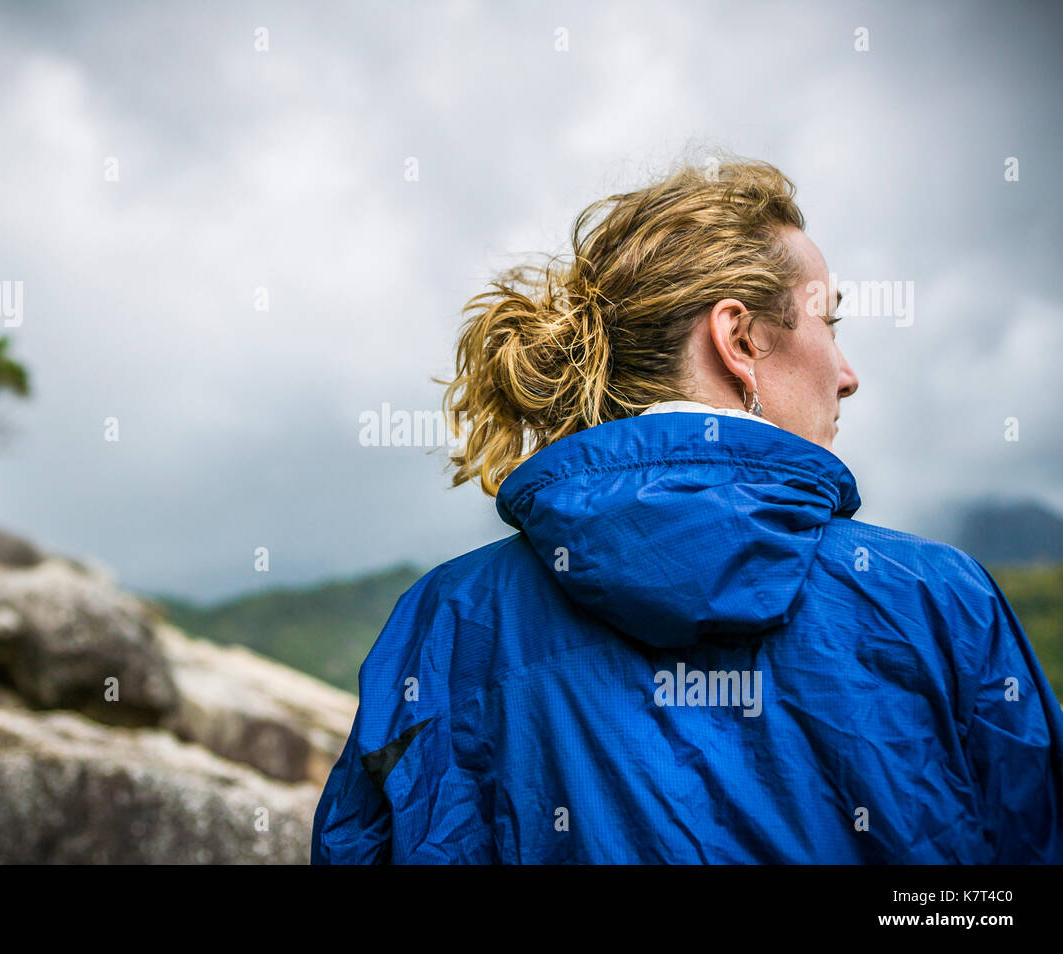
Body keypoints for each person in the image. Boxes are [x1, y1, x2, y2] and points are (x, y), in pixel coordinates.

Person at [310, 156, 1063, 863]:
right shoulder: (939, 603)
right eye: (829, 323)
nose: (848, 374)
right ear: (738, 338)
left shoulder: (446, 626)